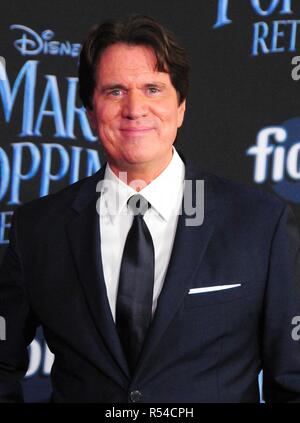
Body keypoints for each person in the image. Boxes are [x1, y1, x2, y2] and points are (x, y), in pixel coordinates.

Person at [0, 14, 300, 403]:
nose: (135, 108)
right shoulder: (38, 228)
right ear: (91, 112)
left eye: (153, 89)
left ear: (181, 108)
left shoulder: (261, 222)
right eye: (115, 91)